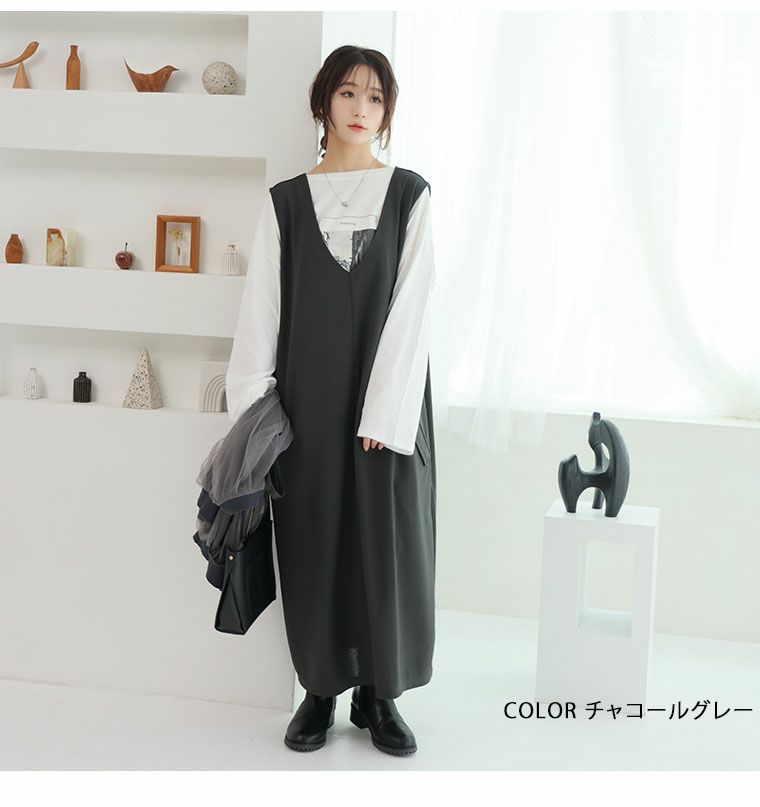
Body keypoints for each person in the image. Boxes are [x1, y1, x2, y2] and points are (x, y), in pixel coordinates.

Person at [225, 45, 436, 757]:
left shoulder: (409, 195)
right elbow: (261, 311)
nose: (360, 109)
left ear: (387, 111)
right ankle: (320, 691)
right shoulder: (286, 202)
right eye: (348, 93)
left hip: (388, 408)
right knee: (312, 538)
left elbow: (414, 310)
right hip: (307, 403)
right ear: (324, 102)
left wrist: (385, 413)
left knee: (386, 544)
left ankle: (380, 693)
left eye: (376, 98)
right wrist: (255, 416)